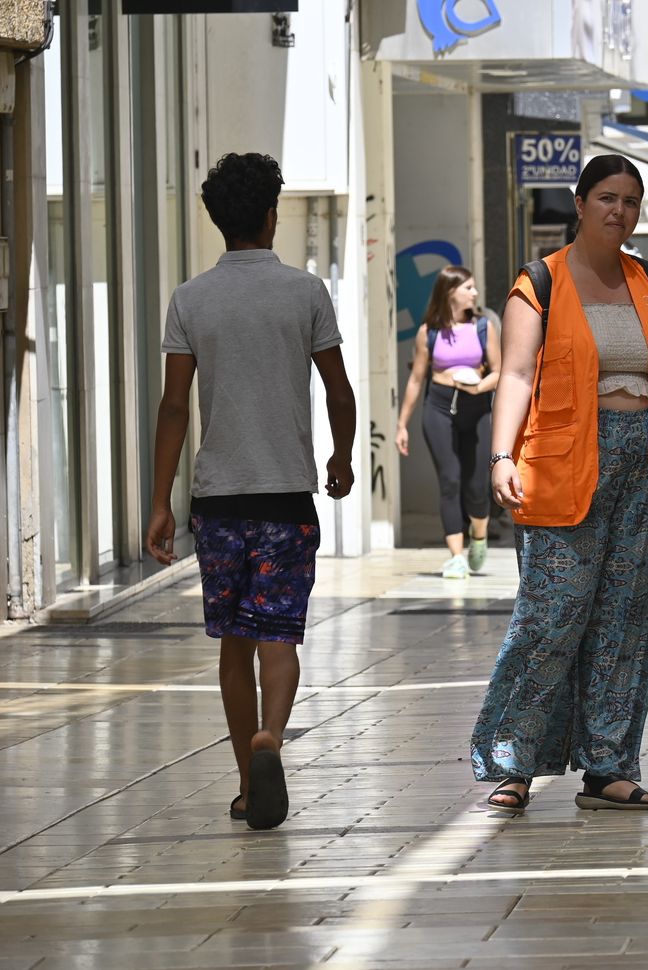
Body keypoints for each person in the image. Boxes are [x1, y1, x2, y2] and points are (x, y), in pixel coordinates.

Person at [473, 155, 648, 815]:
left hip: (643, 464)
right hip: (561, 464)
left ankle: (608, 766)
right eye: (607, 198)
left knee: (629, 620)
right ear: (579, 203)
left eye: (631, 201)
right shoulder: (539, 282)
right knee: (553, 616)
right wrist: (500, 457)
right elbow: (516, 375)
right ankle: (513, 762)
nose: (619, 212)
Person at [147, 153, 357, 832]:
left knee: (233, 642)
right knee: (279, 636)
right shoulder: (305, 293)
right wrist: (342, 456)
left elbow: (174, 407)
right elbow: (338, 389)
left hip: (218, 501)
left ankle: (245, 782)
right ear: (271, 215)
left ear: (217, 220)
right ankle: (272, 734)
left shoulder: (191, 298)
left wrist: (159, 502)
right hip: (285, 496)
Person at [396, 266, 501, 579]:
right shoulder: (429, 331)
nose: (475, 293)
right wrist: (402, 424)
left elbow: (499, 371)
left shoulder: (484, 327)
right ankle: (456, 556)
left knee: (477, 485)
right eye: (468, 287)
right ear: (450, 291)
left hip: (477, 406)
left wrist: (478, 387)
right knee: (450, 480)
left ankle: (479, 535)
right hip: (439, 407)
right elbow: (416, 380)